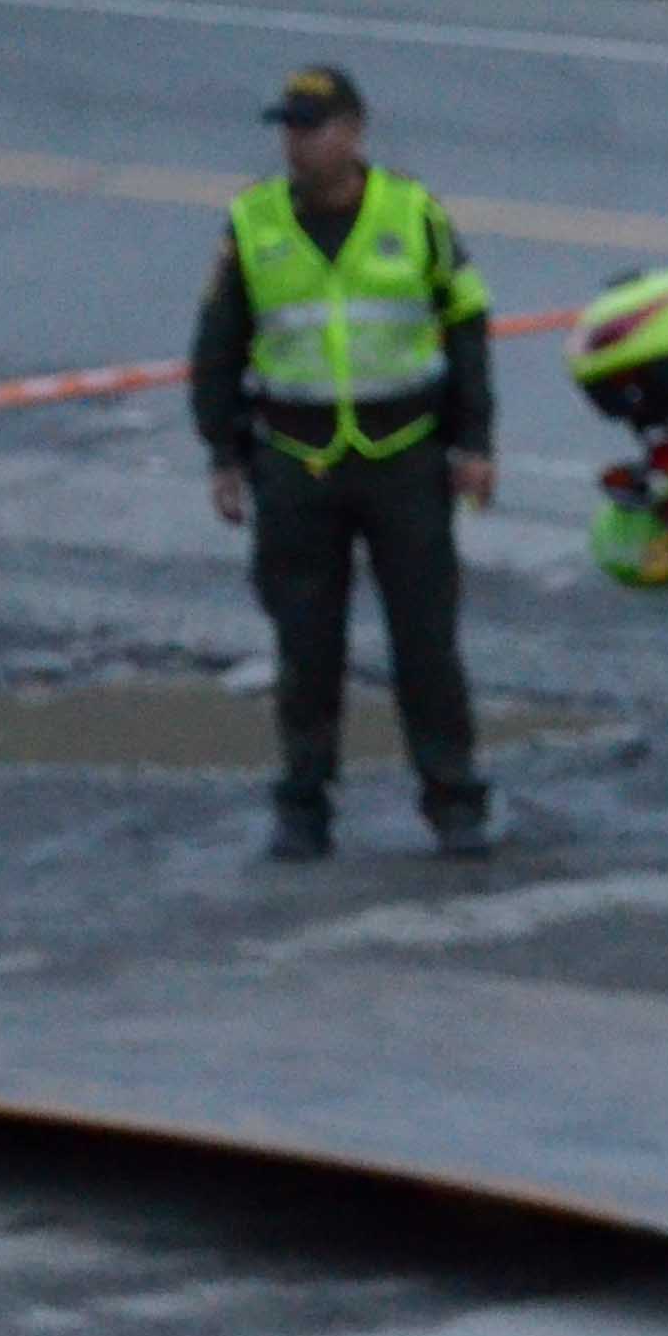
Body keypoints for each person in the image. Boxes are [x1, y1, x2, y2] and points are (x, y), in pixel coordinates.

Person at [191, 64, 496, 864]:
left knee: (426, 645)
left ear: (355, 131)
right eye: (289, 127)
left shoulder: (412, 212)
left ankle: (454, 799)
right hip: (296, 463)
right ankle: (303, 805)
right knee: (305, 645)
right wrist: (221, 453)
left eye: (313, 126)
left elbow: (465, 325)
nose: (298, 142)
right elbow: (217, 346)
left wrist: (476, 443)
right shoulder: (253, 222)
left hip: (404, 460)